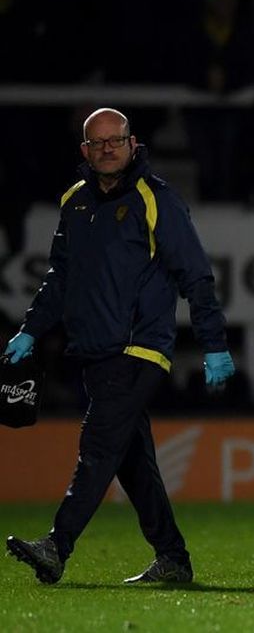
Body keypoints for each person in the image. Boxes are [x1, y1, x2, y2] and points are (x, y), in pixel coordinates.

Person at [5, 108, 235, 585]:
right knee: (132, 462)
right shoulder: (74, 201)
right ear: (85, 150)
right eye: (98, 142)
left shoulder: (157, 198)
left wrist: (213, 344)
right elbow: (59, 276)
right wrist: (31, 330)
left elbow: (195, 274)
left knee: (98, 445)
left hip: (139, 348)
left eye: (116, 140)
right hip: (93, 351)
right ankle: (173, 558)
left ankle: (57, 545)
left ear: (133, 144)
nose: (108, 148)